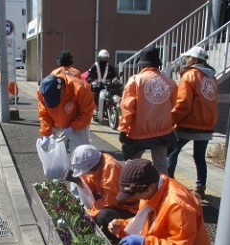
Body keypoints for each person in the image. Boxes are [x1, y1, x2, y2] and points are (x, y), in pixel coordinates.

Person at [167, 46, 218, 199]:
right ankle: (200, 187)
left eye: (188, 58)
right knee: (199, 157)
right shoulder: (211, 78)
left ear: (194, 60)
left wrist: (172, 119)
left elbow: (183, 103)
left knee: (171, 152)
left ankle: (168, 183)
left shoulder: (190, 76)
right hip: (207, 124)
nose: (186, 60)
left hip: (188, 123)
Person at [118, 46, 178, 174]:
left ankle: (131, 190)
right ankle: (163, 191)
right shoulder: (170, 83)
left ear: (141, 64)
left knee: (132, 165)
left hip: (139, 132)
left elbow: (128, 109)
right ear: (158, 64)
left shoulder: (135, 81)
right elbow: (174, 107)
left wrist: (124, 129)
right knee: (161, 165)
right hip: (163, 132)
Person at [64, 145, 139, 232]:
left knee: (104, 215)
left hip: (129, 208)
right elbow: (94, 186)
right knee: (96, 206)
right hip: (117, 203)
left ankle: (116, 235)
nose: (87, 173)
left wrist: (89, 212)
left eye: (86, 171)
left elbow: (110, 202)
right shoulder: (100, 162)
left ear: (92, 166)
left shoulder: (111, 169)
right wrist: (79, 181)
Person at [37, 74, 95, 153]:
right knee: (54, 154)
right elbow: (44, 114)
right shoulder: (42, 92)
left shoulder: (81, 88)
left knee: (80, 153)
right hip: (56, 124)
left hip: (78, 125)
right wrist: (46, 134)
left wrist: (71, 128)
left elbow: (86, 113)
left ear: (62, 89)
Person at [86, 49, 118, 115]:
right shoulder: (94, 66)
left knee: (115, 93)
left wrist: (115, 79)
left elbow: (114, 76)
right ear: (99, 58)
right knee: (95, 95)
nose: (104, 60)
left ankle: (112, 105)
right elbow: (89, 76)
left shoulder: (110, 67)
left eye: (105, 58)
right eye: (102, 58)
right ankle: (96, 108)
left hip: (108, 86)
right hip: (97, 87)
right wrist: (91, 82)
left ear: (107, 58)